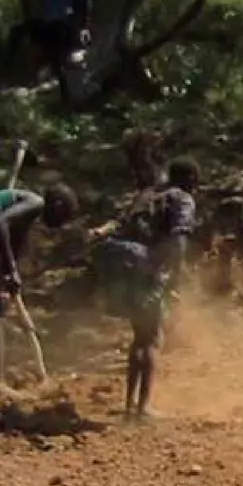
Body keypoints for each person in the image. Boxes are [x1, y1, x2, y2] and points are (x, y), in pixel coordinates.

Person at [95, 159, 199, 420]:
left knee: (139, 336)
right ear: (191, 179)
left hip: (120, 264)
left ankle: (130, 404)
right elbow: (178, 239)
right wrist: (173, 275)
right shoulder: (182, 199)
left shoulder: (148, 195)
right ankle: (143, 409)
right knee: (152, 338)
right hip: (145, 268)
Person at [0, 183, 78, 378]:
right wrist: (11, 270)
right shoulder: (35, 202)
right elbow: (0, 223)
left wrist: (9, 272)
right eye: (63, 217)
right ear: (58, 206)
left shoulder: (26, 212)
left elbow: (11, 240)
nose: (60, 225)